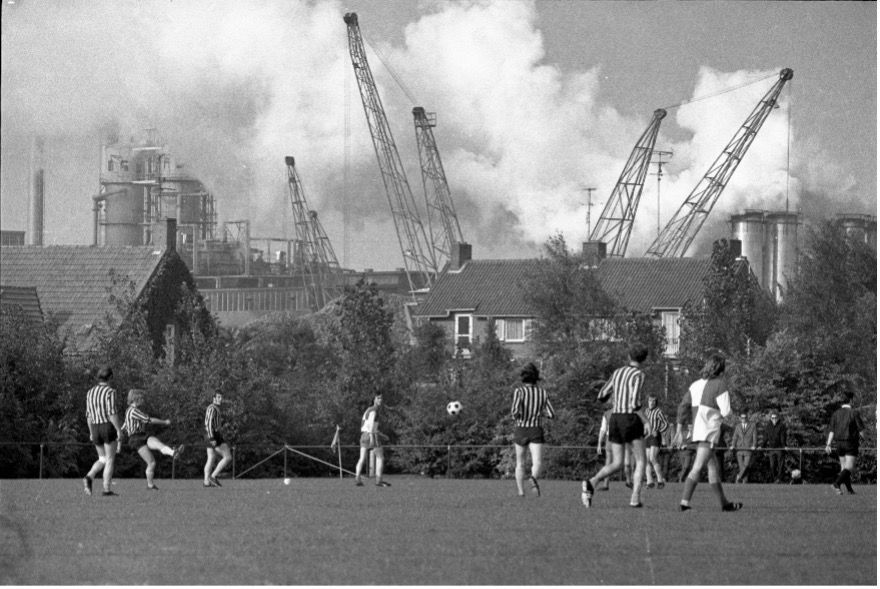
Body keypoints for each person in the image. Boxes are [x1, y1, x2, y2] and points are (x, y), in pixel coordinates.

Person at [582, 343, 650, 509]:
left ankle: (591, 482)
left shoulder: (618, 372)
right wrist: (646, 421)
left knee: (616, 463)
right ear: (644, 359)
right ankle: (635, 497)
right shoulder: (639, 374)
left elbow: (601, 395)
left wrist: (616, 400)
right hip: (630, 418)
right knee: (641, 460)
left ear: (629, 356)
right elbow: (635, 403)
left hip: (615, 419)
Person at [674, 351, 742, 512]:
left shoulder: (695, 384)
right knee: (697, 467)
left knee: (712, 469)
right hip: (708, 432)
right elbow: (726, 412)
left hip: (698, 431)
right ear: (722, 369)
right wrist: (735, 423)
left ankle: (725, 504)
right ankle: (684, 504)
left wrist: (678, 430)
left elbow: (683, 406)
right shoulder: (720, 384)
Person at [121, 389, 184, 490]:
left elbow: (124, 426)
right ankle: (150, 486)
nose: (143, 400)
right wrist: (164, 422)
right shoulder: (133, 411)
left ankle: (173, 453)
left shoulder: (130, 411)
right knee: (151, 462)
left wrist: (120, 433)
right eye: (141, 398)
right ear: (136, 398)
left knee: (157, 443)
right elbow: (149, 420)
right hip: (136, 438)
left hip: (142, 435)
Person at [510, 362, 556, 497]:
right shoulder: (543, 392)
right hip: (536, 429)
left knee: (520, 463)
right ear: (536, 378)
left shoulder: (519, 391)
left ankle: (521, 492)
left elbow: (514, 413)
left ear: (523, 377)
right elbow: (552, 414)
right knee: (537, 462)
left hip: (521, 429)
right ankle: (533, 478)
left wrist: (521, 415)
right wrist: (540, 414)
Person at [82, 366, 124, 497]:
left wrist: (90, 432)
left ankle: (89, 477)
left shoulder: (90, 392)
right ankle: (106, 489)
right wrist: (118, 430)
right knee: (110, 459)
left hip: (94, 427)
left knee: (102, 458)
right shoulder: (110, 392)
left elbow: (88, 415)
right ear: (110, 377)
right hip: (107, 426)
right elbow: (112, 413)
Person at [825, 390, 865, 495]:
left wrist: (828, 444)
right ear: (851, 400)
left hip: (839, 443)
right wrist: (863, 438)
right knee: (849, 467)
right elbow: (861, 431)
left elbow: (831, 430)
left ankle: (849, 490)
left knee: (843, 467)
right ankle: (836, 484)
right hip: (850, 443)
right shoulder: (854, 413)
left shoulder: (836, 414)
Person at [355, 394, 391, 487]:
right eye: (378, 398)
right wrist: (372, 437)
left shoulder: (368, 409)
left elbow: (367, 426)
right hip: (371, 435)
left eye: (381, 398)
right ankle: (379, 481)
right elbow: (371, 426)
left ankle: (358, 479)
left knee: (362, 458)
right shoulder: (374, 410)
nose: (380, 400)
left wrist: (382, 435)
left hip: (363, 435)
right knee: (380, 457)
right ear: (374, 399)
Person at [204, 393, 232, 488]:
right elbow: (208, 423)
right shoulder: (212, 408)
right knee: (227, 457)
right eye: (218, 397)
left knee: (211, 458)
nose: (220, 399)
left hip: (209, 435)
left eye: (221, 397)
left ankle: (206, 482)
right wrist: (212, 438)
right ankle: (213, 477)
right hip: (213, 435)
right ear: (214, 398)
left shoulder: (215, 408)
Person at [644, 394, 669, 489]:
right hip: (647, 437)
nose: (651, 402)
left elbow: (666, 424)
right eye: (650, 400)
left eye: (654, 401)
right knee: (647, 460)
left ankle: (660, 480)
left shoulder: (658, 412)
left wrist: (658, 431)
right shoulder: (646, 411)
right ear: (648, 401)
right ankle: (649, 482)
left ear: (656, 402)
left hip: (655, 437)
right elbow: (645, 423)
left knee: (652, 458)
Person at [730, 412, 757, 483]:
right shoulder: (738, 426)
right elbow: (735, 437)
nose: (743, 419)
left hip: (748, 448)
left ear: (747, 418)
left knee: (746, 465)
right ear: (740, 418)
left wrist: (754, 445)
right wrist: (733, 445)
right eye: (742, 418)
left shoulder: (752, 425)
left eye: (745, 417)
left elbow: (755, 437)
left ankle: (738, 477)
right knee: (742, 467)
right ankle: (745, 482)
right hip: (739, 449)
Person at [763, 410, 788, 483]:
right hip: (771, 448)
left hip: (779, 448)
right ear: (770, 418)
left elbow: (782, 437)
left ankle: (780, 479)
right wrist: (762, 446)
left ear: (778, 418)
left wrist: (784, 446)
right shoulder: (768, 426)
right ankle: (773, 479)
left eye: (775, 418)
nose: (774, 419)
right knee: (772, 465)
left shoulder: (781, 426)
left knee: (781, 465)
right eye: (772, 418)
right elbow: (765, 437)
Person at [596, 407, 613, 491]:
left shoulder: (607, 413)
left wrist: (599, 443)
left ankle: (606, 484)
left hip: (611, 438)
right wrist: (599, 443)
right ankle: (630, 481)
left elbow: (603, 429)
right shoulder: (607, 414)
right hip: (614, 438)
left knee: (609, 462)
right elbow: (603, 429)